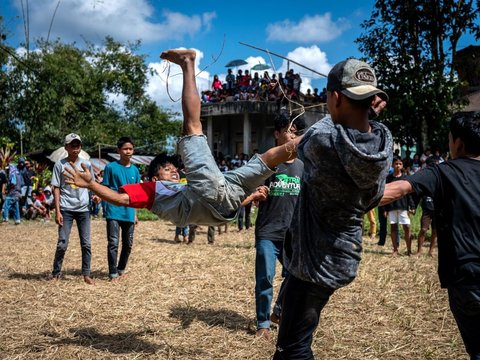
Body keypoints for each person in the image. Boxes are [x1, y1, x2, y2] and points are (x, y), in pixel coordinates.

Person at [63, 49, 300, 227]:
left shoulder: (183, 185)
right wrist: (92, 184)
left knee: (269, 158)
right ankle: (188, 63)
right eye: (168, 169)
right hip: (214, 197)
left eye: (174, 168)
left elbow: (229, 201)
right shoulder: (151, 190)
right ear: (155, 178)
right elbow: (119, 198)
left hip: (224, 197)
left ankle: (318, 133)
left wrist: (251, 196)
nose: (175, 171)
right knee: (192, 127)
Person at [274, 58, 392, 359]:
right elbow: (372, 198)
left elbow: (312, 137)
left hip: (315, 262)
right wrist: (365, 112)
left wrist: (350, 108)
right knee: (298, 334)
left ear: (336, 98)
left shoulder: (322, 141)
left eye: (329, 97)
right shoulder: (382, 145)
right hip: (344, 254)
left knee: (292, 348)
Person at [380, 111, 480, 359]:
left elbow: (397, 189)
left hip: (466, 278)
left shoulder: (442, 172)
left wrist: (344, 196)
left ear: (457, 142)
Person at [253, 111, 306, 341]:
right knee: (265, 277)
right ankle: (263, 323)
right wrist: (257, 193)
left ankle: (279, 312)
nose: (292, 135)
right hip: (268, 230)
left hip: (293, 234)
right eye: (287, 130)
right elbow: (252, 188)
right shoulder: (267, 163)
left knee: (296, 276)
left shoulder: (303, 167)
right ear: (276, 134)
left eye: (295, 131)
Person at [50, 133, 95, 285]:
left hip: (83, 209)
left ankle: (86, 274)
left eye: (78, 145)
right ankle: (56, 273)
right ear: (66, 147)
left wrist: (95, 195)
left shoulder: (86, 164)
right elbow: (56, 188)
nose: (76, 148)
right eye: (72, 145)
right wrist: (58, 211)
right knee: (62, 242)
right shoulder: (60, 165)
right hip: (66, 208)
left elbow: (91, 183)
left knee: (86, 243)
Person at [102, 137, 141, 281]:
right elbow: (104, 187)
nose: (128, 151)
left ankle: (121, 269)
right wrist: (103, 203)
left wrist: (135, 214)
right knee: (113, 242)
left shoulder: (135, 170)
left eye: (130, 149)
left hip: (129, 211)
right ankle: (112, 273)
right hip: (113, 210)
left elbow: (137, 194)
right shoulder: (110, 167)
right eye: (125, 149)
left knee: (128, 243)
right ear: (119, 150)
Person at [384, 156, 416, 256]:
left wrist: (412, 205)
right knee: (393, 227)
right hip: (391, 206)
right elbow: (385, 193)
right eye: (396, 163)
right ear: (393, 165)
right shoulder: (388, 178)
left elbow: (410, 193)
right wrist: (385, 208)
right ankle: (395, 250)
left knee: (407, 227)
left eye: (400, 164)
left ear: (402, 165)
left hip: (403, 206)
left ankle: (409, 250)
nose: (398, 165)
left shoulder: (406, 178)